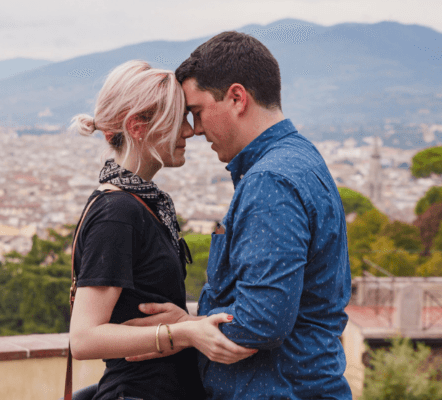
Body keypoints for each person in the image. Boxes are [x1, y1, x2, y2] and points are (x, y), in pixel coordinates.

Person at [129, 32, 353, 399]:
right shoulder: (300, 158)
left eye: (198, 111)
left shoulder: (270, 181)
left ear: (236, 97)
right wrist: (195, 324)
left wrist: (184, 331)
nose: (196, 129)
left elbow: (261, 322)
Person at [67, 60, 256, 400]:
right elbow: (83, 338)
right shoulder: (118, 213)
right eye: (177, 120)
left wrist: (185, 325)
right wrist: (184, 333)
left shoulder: (145, 204)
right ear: (137, 126)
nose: (189, 131)